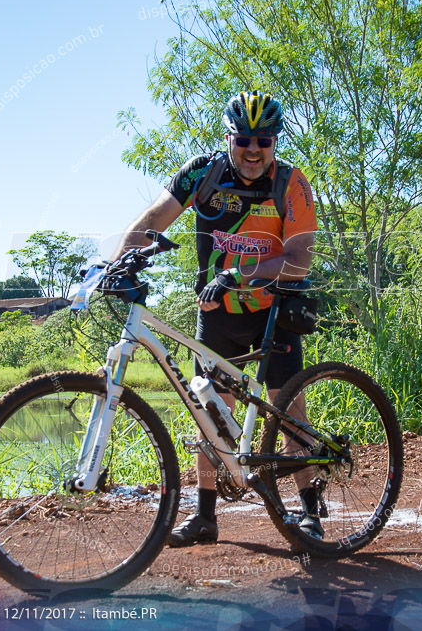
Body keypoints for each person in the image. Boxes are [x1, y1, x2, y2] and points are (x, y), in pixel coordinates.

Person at [110, 90, 320, 547]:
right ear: (229, 137)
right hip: (218, 314)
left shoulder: (290, 183)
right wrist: (112, 265)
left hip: (275, 312)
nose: (252, 150)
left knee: (288, 411)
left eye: (264, 141)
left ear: (274, 142)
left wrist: (237, 273)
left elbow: (300, 259)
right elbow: (153, 219)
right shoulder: (203, 174)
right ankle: (206, 517)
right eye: (244, 138)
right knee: (209, 411)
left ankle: (309, 511)